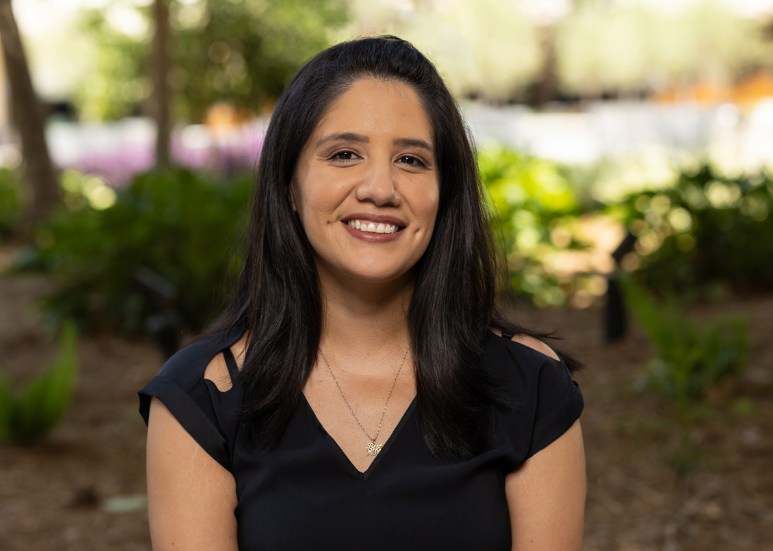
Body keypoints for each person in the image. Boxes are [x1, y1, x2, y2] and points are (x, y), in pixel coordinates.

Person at [139, 35, 586, 551]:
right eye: (345, 154)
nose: (380, 188)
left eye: (412, 161)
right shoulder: (201, 400)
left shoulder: (529, 387)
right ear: (290, 183)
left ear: (446, 192)